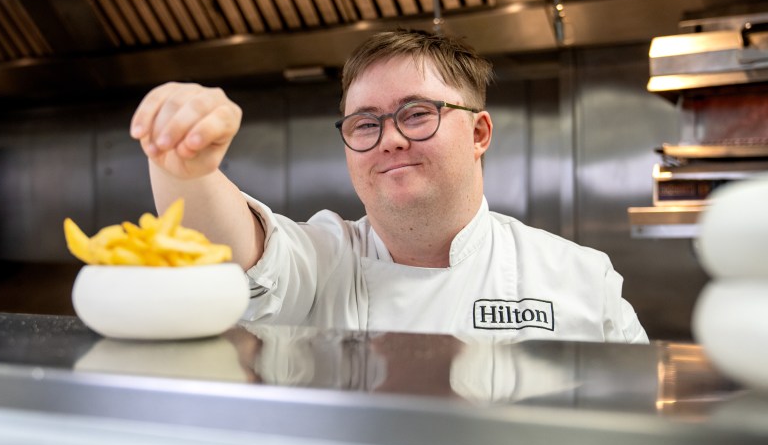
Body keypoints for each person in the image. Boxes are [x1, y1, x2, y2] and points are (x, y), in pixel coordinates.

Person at [129, 29, 648, 343]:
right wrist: (184, 164)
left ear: (479, 133)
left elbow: (637, 431)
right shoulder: (327, 259)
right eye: (364, 123)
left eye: (417, 114)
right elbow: (236, 253)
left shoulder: (581, 279)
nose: (389, 140)